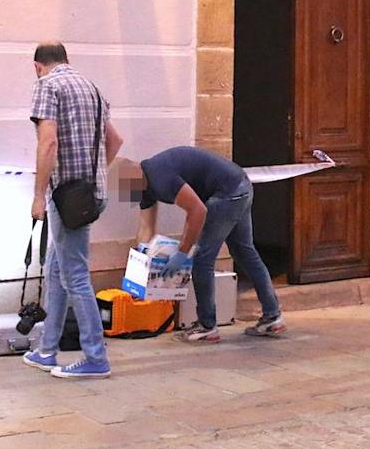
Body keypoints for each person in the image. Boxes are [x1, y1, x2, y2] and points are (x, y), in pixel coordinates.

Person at [22, 42, 123, 380]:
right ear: (66, 60)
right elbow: (115, 141)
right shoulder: (91, 88)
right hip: (91, 194)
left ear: (38, 66)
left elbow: (47, 142)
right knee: (57, 268)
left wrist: (38, 195)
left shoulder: (47, 86)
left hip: (66, 196)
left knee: (75, 274)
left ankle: (95, 357)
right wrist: (96, 173)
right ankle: (47, 350)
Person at [120, 147, 285, 343]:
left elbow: (198, 211)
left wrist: (182, 253)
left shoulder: (160, 176)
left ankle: (207, 326)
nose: (129, 192)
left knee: (201, 260)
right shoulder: (143, 185)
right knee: (244, 252)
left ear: (136, 172)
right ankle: (272, 317)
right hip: (240, 186)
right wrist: (139, 266)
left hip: (227, 193)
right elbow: (146, 228)